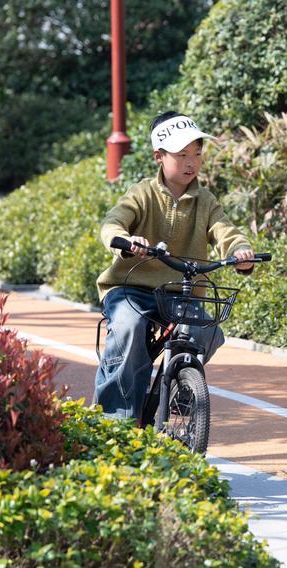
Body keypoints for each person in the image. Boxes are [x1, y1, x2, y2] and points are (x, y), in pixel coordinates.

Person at [94, 111, 255, 419]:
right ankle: (114, 419)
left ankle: (181, 386)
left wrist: (240, 250)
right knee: (128, 329)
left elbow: (225, 230)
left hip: (180, 292)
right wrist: (124, 240)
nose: (191, 162)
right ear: (159, 156)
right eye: (182, 155)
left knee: (208, 332)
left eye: (197, 154)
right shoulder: (142, 193)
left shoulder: (205, 201)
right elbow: (113, 222)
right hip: (131, 288)